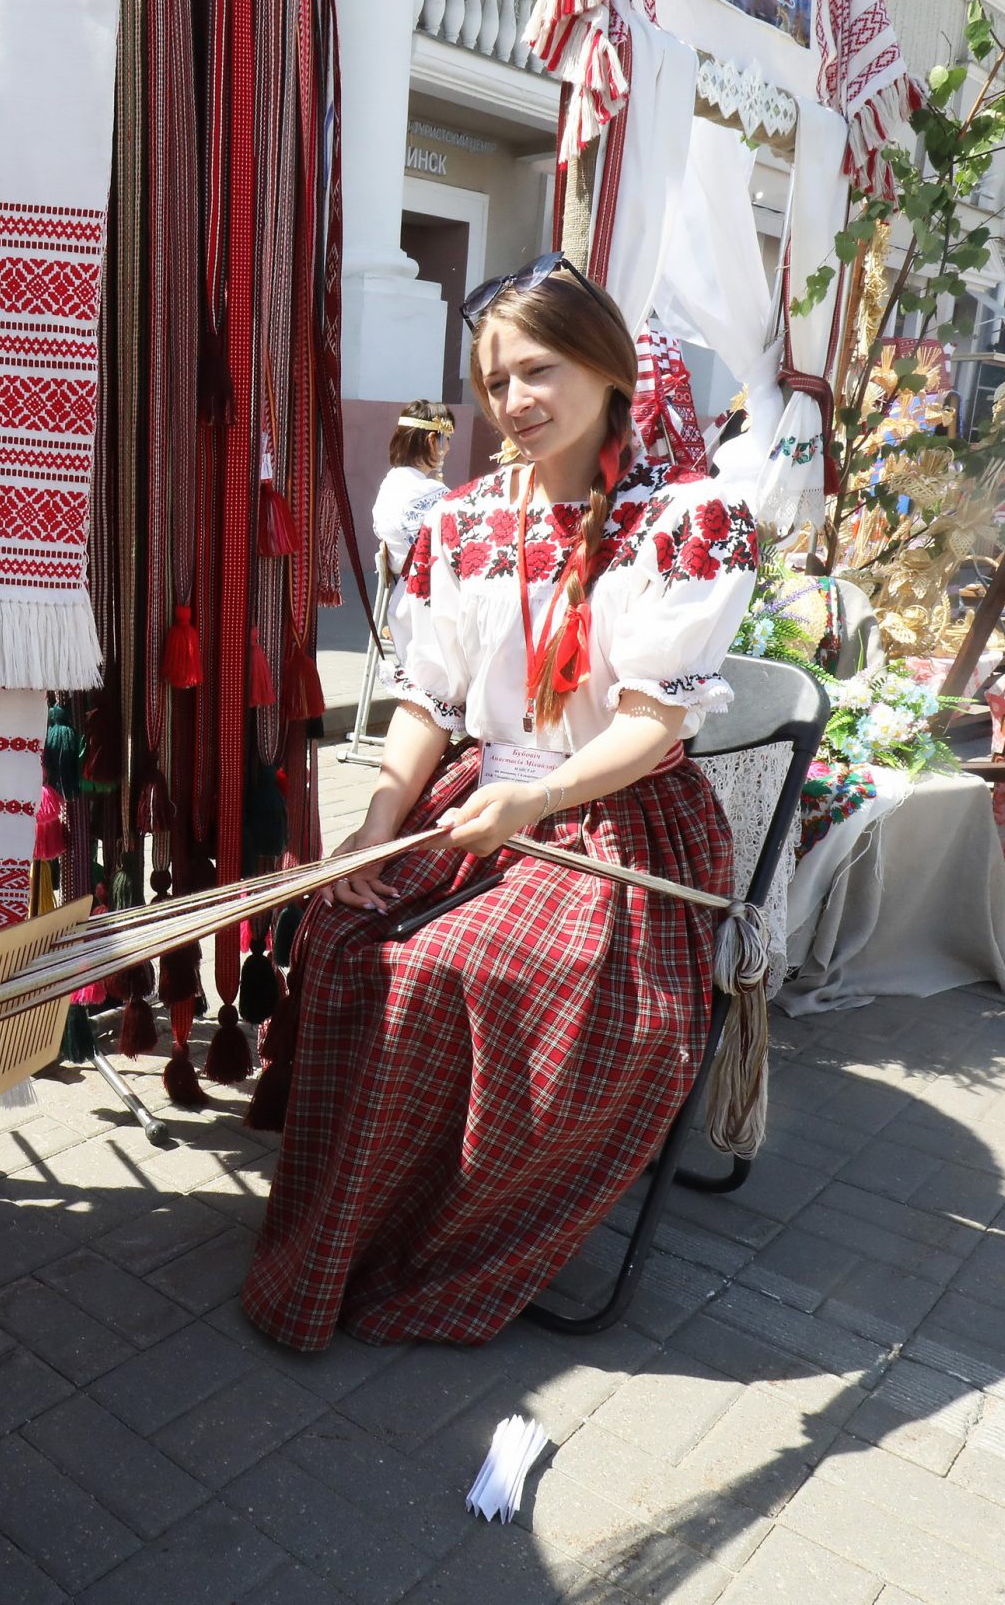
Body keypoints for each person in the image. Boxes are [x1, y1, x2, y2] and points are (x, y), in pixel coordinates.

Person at [242, 253, 760, 1348]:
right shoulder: (466, 519)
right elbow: (429, 699)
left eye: (538, 370)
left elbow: (652, 721)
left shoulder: (687, 518)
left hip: (616, 821)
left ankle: (435, 1237)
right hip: (485, 796)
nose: (513, 403)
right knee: (348, 931)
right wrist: (375, 831)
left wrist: (538, 803)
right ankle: (353, 1219)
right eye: (492, 383)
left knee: (447, 971)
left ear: (607, 367)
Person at [369, 402, 453, 570]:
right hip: (430, 592)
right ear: (432, 441)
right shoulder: (426, 491)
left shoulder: (390, 483)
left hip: (403, 590)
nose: (449, 447)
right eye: (447, 439)